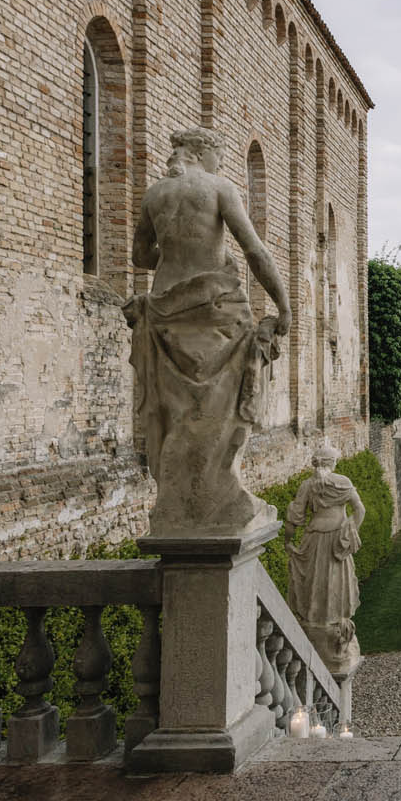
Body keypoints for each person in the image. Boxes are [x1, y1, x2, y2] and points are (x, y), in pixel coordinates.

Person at [126, 127, 291, 535]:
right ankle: (218, 495)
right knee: (225, 406)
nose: (219, 163)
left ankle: (179, 502)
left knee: (179, 412)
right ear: (203, 153)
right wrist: (283, 303)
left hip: (166, 314)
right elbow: (254, 249)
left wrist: (177, 247)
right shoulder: (218, 188)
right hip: (216, 313)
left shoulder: (154, 196)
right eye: (217, 155)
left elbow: (141, 257)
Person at [285, 440, 365, 678]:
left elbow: (294, 518)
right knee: (336, 582)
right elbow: (359, 510)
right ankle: (333, 628)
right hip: (336, 542)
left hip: (315, 539)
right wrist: (350, 532)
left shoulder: (307, 486)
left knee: (313, 583)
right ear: (332, 464)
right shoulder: (343, 483)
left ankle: (317, 624)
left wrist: (287, 541)